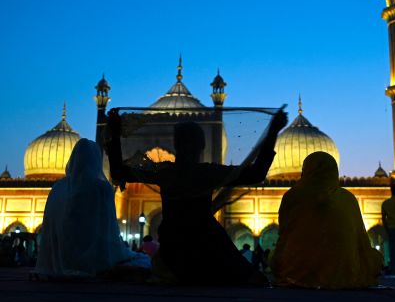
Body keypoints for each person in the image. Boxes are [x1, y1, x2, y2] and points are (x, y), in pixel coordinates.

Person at [107, 108, 287, 285]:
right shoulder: (207, 172)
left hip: (173, 246)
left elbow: (117, 171)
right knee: (255, 281)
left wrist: (114, 134)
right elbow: (256, 174)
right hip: (207, 242)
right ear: (202, 145)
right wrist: (273, 132)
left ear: (175, 145)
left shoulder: (165, 172)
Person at [34, 138, 149, 279]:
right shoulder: (102, 188)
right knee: (145, 261)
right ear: (96, 160)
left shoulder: (58, 187)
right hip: (94, 259)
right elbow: (108, 232)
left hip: (61, 258)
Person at [272, 152, 383, 289]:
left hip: (298, 269)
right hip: (343, 270)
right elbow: (361, 240)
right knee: (374, 258)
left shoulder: (292, 196)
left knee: (273, 257)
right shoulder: (348, 198)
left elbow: (284, 236)